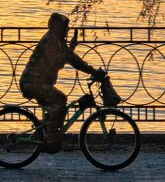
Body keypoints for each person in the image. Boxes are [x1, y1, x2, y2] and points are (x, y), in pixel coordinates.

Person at [19, 12, 106, 153]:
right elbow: (59, 61)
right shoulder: (51, 41)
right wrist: (91, 70)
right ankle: (52, 140)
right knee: (60, 99)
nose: (67, 30)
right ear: (58, 27)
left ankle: (44, 134)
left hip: (39, 82)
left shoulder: (57, 41)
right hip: (33, 82)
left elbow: (72, 59)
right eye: (65, 27)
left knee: (55, 107)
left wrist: (92, 71)